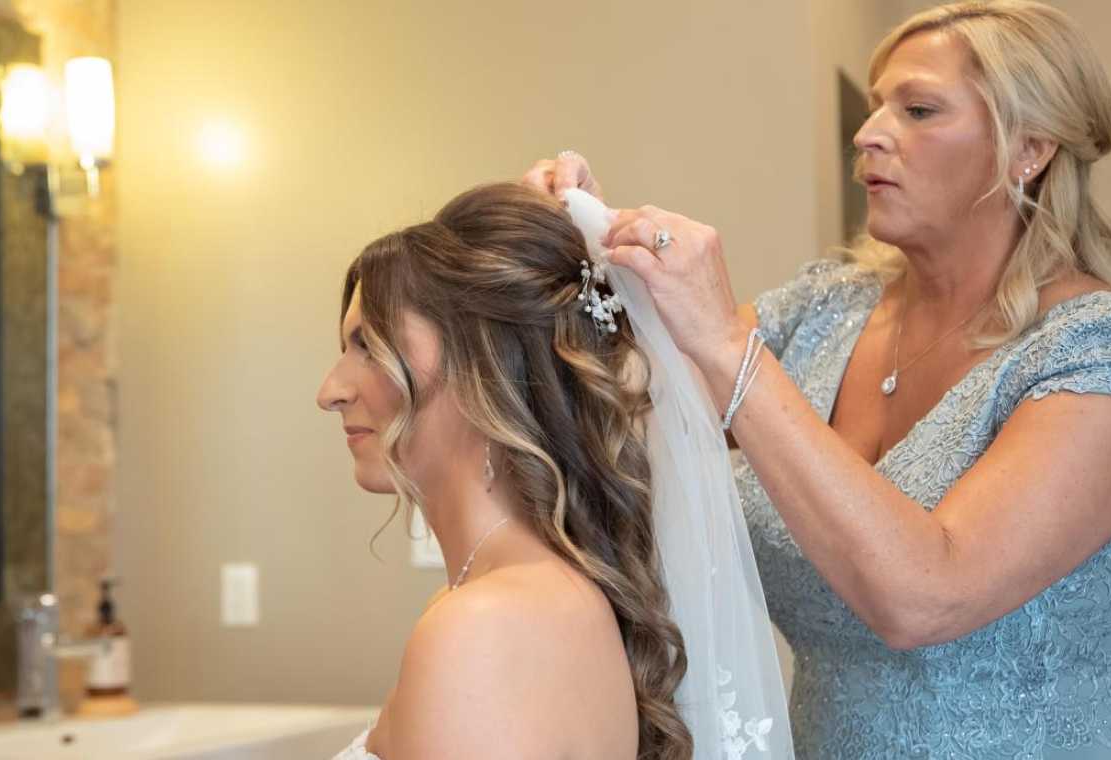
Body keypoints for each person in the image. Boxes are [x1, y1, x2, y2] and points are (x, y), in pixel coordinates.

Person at [526, 2, 1111, 758]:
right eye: (876, 106)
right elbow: (613, 405)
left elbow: (925, 597)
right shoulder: (822, 311)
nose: (868, 132)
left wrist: (725, 346)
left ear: (1029, 149)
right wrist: (574, 239)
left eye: (917, 110)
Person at [318, 182, 792, 760]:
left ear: (482, 367)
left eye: (370, 345)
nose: (331, 391)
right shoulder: (525, 597)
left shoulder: (484, 626)